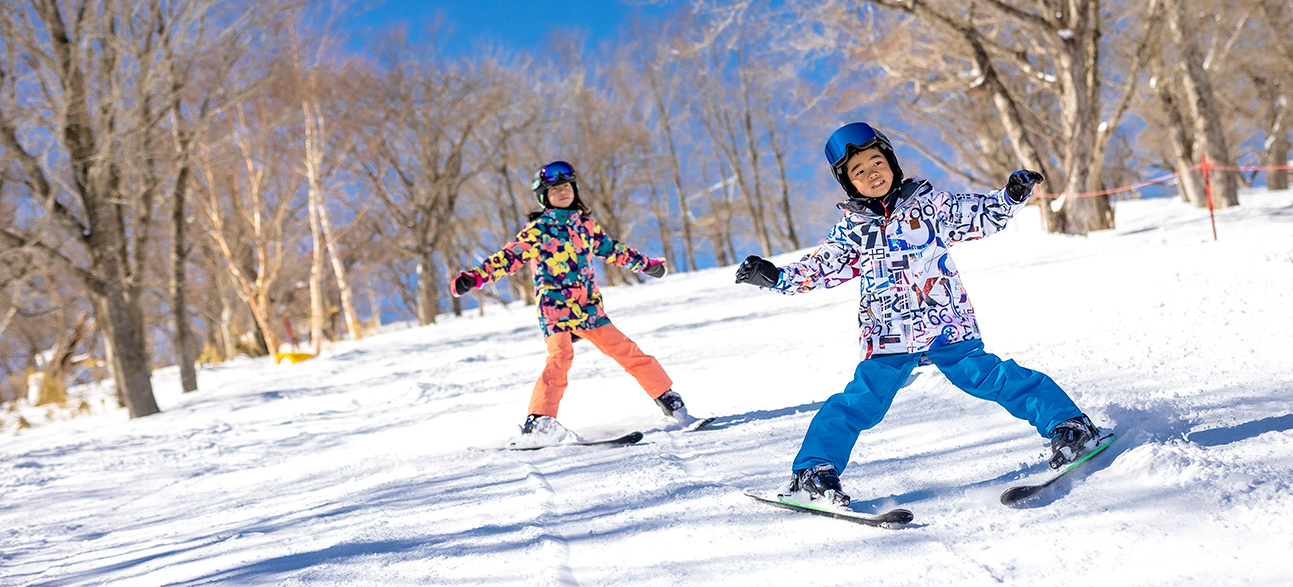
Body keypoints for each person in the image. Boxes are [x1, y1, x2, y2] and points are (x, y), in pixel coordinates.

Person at [734, 121, 1102, 506]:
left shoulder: (928, 205)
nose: (871, 173)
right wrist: (776, 276)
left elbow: (976, 215)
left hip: (946, 323)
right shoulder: (852, 231)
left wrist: (1009, 197)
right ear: (848, 184)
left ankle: (1069, 425)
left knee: (991, 377)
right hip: (888, 334)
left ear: (891, 162)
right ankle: (814, 471)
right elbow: (823, 266)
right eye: (858, 171)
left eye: (876, 162)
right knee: (860, 402)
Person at [450, 160, 692, 445]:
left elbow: (614, 250)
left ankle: (666, 397)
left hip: (589, 308)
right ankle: (539, 421)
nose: (563, 192)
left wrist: (647, 265)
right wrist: (476, 278)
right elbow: (509, 257)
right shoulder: (538, 230)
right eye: (555, 190)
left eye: (566, 186)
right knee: (560, 359)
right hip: (555, 310)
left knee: (627, 351)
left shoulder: (585, 226)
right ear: (545, 198)